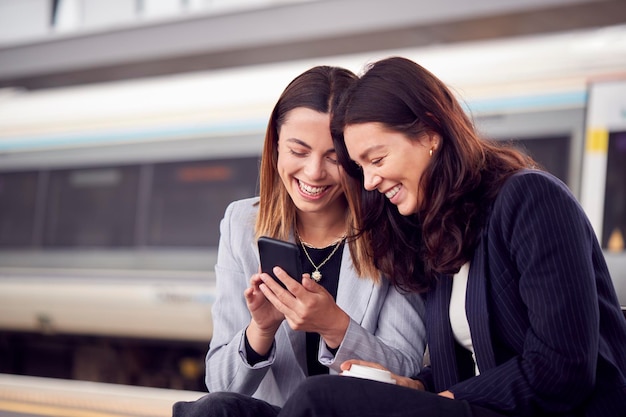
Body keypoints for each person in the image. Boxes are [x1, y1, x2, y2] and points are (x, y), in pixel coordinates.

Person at [275, 56, 626, 417]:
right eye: (360, 168)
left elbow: (562, 365)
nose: (368, 183)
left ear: (429, 133)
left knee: (319, 398)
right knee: (225, 408)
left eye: (377, 160)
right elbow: (476, 362)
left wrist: (439, 403)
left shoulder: (531, 199)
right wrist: (418, 387)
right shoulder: (440, 229)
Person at [172, 65, 426, 416]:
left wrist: (334, 326)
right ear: (275, 147)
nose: (313, 173)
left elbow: (405, 369)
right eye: (299, 151)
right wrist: (261, 329)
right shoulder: (242, 224)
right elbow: (221, 386)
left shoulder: (393, 228)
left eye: (334, 158)